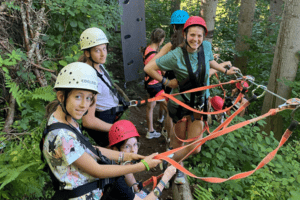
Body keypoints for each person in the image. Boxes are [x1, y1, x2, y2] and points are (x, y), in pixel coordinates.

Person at [42, 62, 174, 200]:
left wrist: (127, 157)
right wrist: (142, 166)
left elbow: (84, 149)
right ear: (61, 96)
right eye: (78, 97)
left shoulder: (64, 120)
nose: (84, 105)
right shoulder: (61, 135)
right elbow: (98, 170)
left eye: (88, 98)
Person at [144, 16, 239, 184]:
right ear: (185, 34)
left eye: (200, 36)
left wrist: (225, 71)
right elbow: (149, 67)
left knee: (195, 147)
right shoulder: (175, 55)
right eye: (192, 35)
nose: (196, 39)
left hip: (199, 106)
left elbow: (210, 62)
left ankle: (168, 161)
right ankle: (175, 169)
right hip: (181, 104)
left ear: (204, 37)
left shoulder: (207, 47)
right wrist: (166, 82)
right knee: (178, 142)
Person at [78, 27, 126, 147]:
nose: (103, 54)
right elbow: (88, 121)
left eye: (104, 48)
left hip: (110, 116)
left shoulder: (99, 67)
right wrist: (116, 128)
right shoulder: (89, 79)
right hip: (102, 122)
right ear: (87, 53)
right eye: (97, 50)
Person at [108, 120, 176, 199]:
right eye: (127, 146)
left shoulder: (116, 162)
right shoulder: (116, 180)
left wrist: (135, 186)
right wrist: (163, 181)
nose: (133, 150)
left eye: (135, 144)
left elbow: (126, 171)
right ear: (115, 149)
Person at [143, 28, 168, 139]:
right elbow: (163, 71)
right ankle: (167, 132)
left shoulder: (147, 49)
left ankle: (150, 131)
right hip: (156, 85)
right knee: (170, 109)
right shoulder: (156, 55)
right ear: (161, 40)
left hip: (148, 83)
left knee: (150, 107)